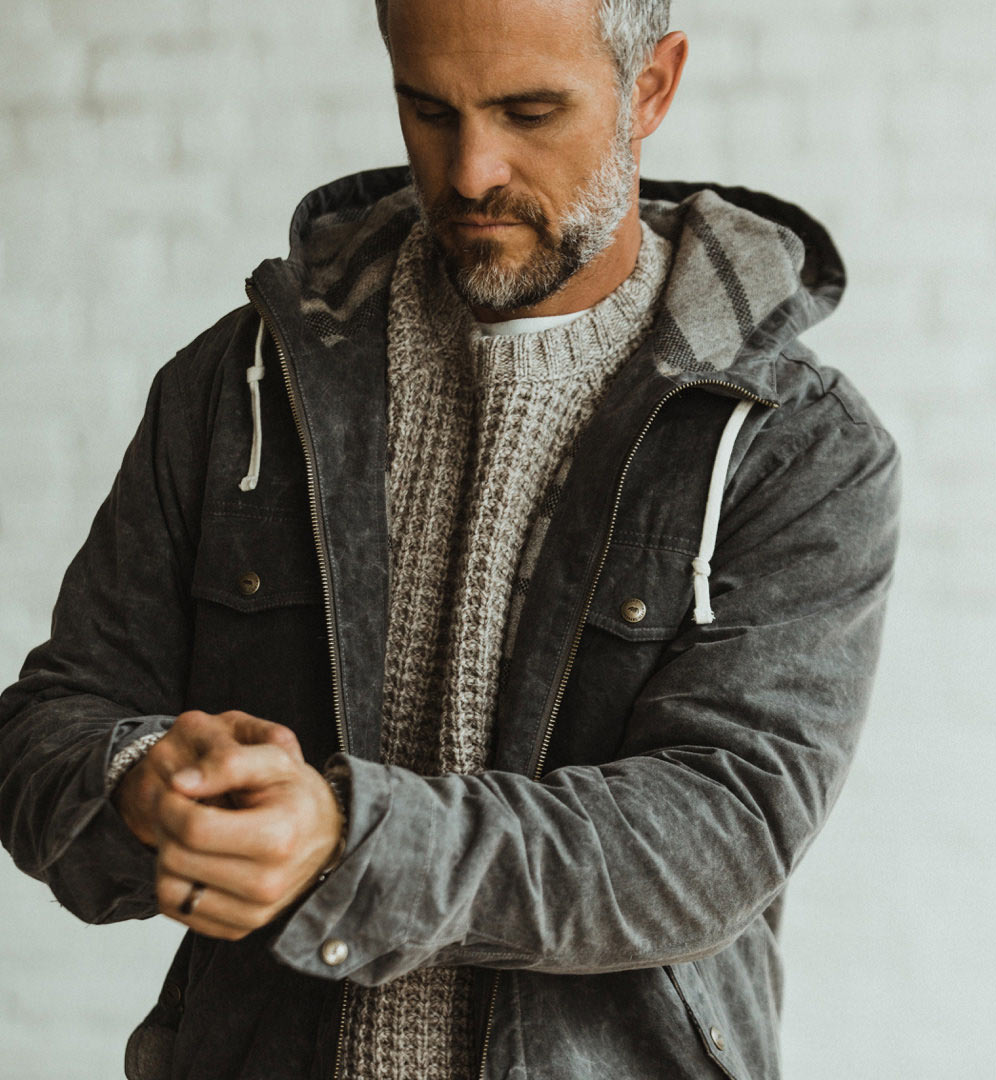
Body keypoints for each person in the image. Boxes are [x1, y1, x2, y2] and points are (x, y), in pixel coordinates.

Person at [0, 0, 901, 1077]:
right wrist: (141, 782)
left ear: (651, 87)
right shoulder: (237, 386)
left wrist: (347, 838)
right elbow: (50, 723)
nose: (471, 172)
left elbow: (719, 833)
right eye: (428, 110)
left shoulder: (798, 443)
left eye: (530, 113)